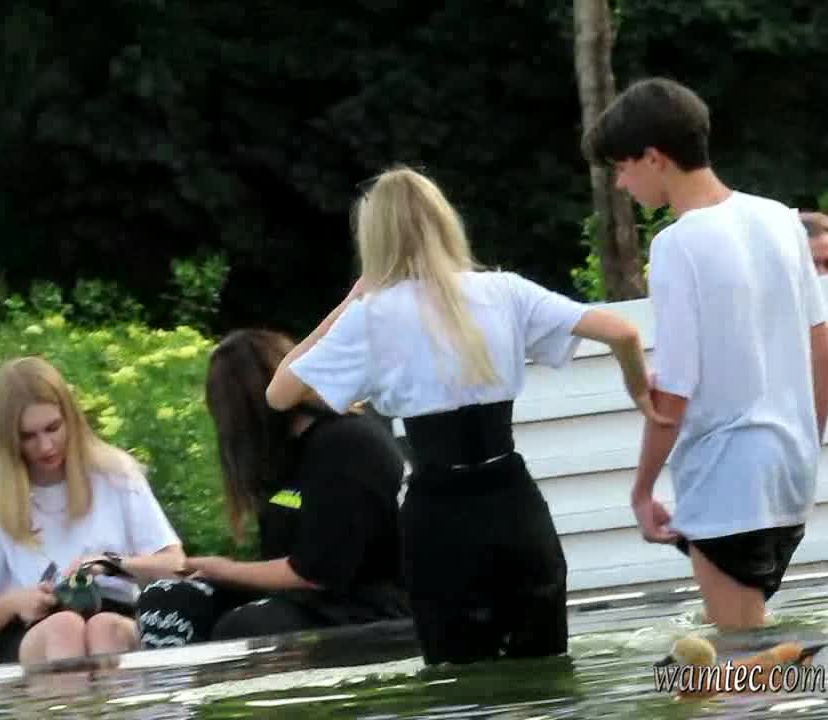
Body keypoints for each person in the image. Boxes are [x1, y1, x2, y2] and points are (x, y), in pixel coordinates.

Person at [264, 165, 666, 666]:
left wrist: (349, 302)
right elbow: (623, 332)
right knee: (545, 673)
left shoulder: (371, 316)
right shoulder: (506, 291)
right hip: (514, 506)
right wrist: (639, 392)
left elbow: (279, 393)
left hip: (439, 519)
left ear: (375, 237)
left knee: (457, 684)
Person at [583, 77, 828, 630]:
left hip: (726, 477)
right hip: (791, 471)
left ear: (654, 157)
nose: (621, 183)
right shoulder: (779, 219)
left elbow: (675, 389)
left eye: (622, 167)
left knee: (739, 665)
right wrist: (804, 449)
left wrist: (641, 490)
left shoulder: (677, 244)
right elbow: (823, 356)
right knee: (755, 649)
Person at [135, 329, 411, 649]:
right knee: (167, 601)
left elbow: (316, 572)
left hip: (367, 601)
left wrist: (226, 570)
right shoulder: (282, 455)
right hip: (302, 599)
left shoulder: (344, 444)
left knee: (243, 628)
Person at [0, 356, 187, 665]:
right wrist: (16, 602)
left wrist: (109, 564)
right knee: (64, 629)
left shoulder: (115, 473)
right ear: (9, 440)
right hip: (33, 628)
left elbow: (175, 565)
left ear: (70, 418)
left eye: (53, 428)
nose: (46, 446)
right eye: (28, 437)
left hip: (113, 613)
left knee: (103, 629)